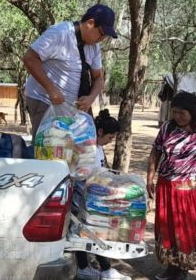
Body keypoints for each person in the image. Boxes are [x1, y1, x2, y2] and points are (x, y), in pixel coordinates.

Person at [146, 92, 196, 280]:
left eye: (182, 113)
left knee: (186, 229)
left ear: (192, 112)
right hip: (166, 186)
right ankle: (171, 266)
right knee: (167, 227)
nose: (178, 117)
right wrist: (150, 177)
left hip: (190, 189)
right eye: (175, 112)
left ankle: (183, 268)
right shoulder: (166, 128)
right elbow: (155, 151)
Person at [22, 4, 118, 143]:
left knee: (72, 151)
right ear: (90, 23)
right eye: (102, 34)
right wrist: (51, 89)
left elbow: (98, 78)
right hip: (45, 101)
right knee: (47, 149)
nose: (101, 39)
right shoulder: (60, 33)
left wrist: (91, 98)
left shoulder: (94, 47)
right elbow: (30, 58)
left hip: (70, 109)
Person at [74, 108, 129, 280]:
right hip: (82, 195)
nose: (111, 141)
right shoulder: (87, 147)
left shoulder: (98, 147)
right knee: (86, 231)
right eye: (110, 137)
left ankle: (97, 267)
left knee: (90, 231)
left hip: (91, 195)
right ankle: (96, 268)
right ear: (100, 131)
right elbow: (82, 173)